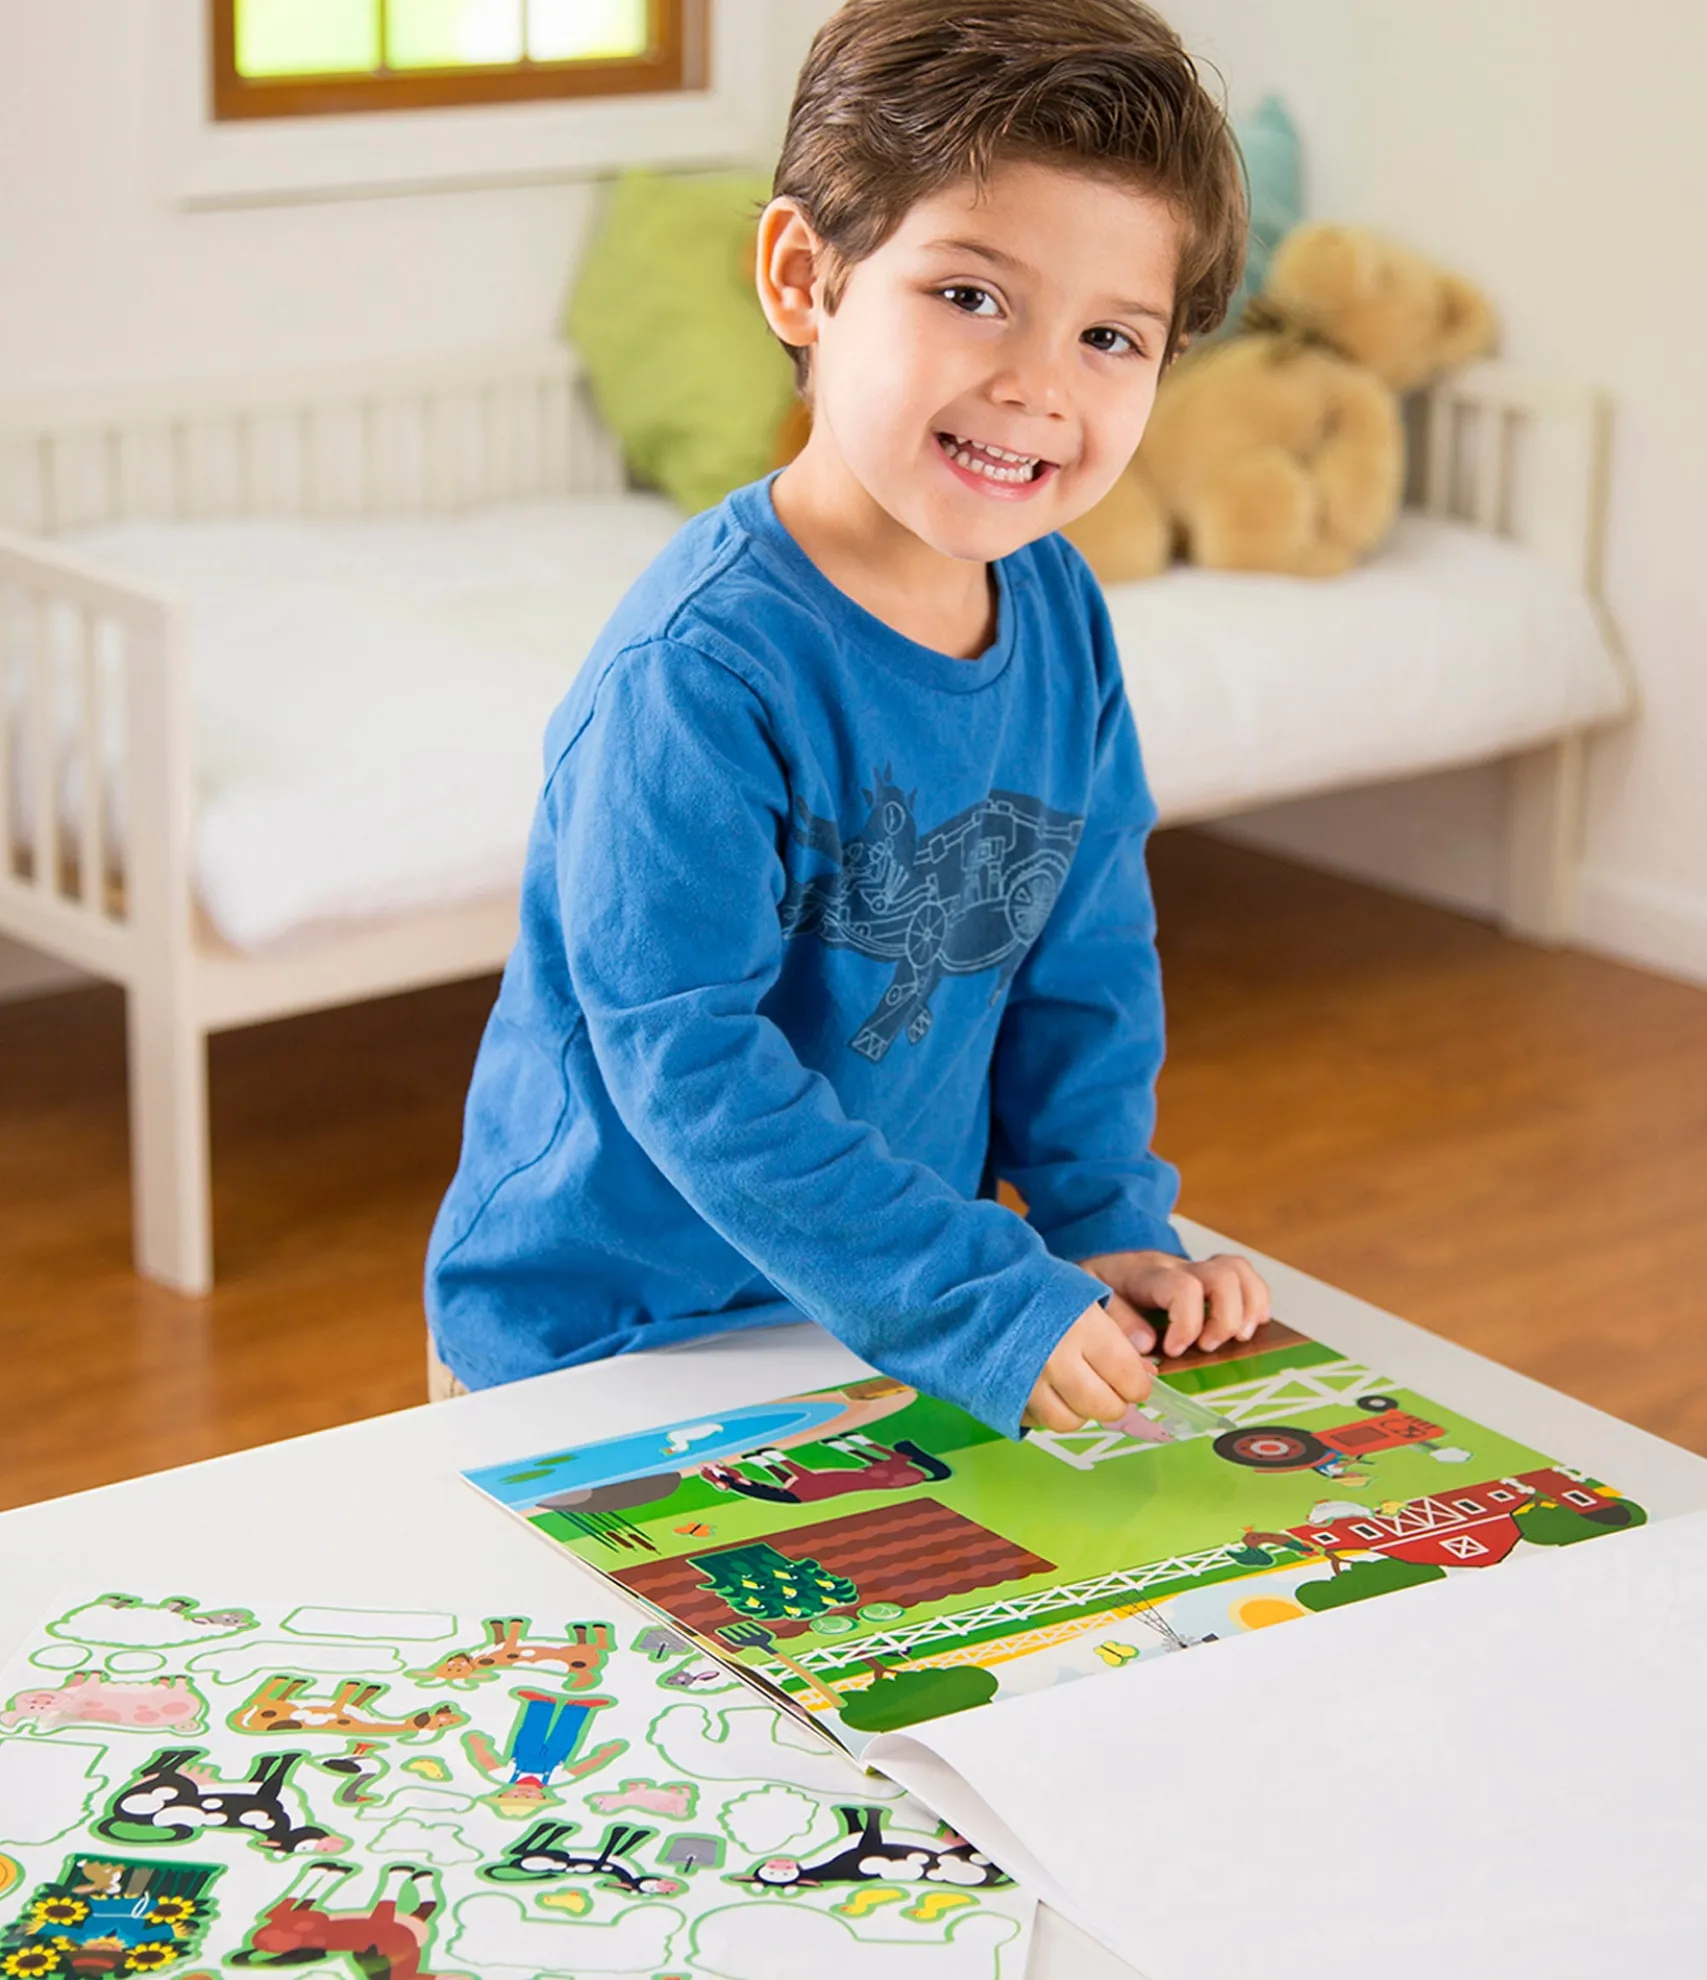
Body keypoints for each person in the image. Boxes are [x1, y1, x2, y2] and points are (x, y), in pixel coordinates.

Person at [425, 0, 1270, 1436]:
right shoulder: (697, 671)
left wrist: (1104, 1214)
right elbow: (690, 1059)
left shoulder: (1061, 614)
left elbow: (1085, 954)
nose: (1036, 386)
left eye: (1110, 336)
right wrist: (973, 1294)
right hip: (604, 1337)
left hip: (864, 1315)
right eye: (972, 296)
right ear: (803, 279)